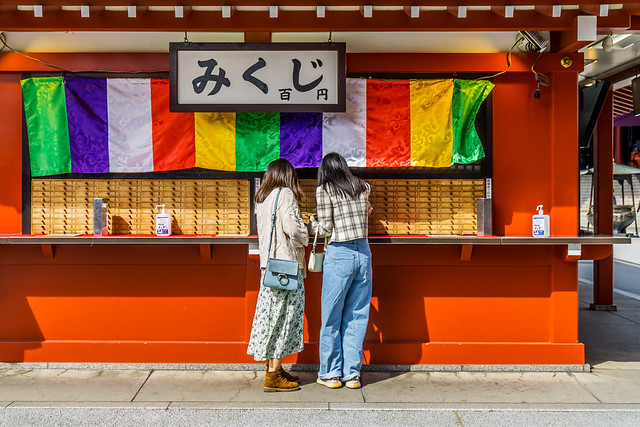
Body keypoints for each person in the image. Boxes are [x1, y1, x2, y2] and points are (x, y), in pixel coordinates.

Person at [310, 152, 373, 390]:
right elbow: (366, 211)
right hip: (363, 253)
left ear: (325, 171)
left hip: (340, 255)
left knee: (331, 317)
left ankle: (330, 374)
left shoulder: (325, 190)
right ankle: (352, 376)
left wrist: (312, 222)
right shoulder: (363, 186)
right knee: (357, 316)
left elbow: (325, 229)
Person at [247, 158, 309, 392]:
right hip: (287, 267)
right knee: (284, 318)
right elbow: (293, 229)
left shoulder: (262, 197)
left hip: (270, 267)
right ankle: (273, 376)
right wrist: (306, 232)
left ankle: (273, 367)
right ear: (286, 175)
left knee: (271, 317)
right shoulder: (285, 195)